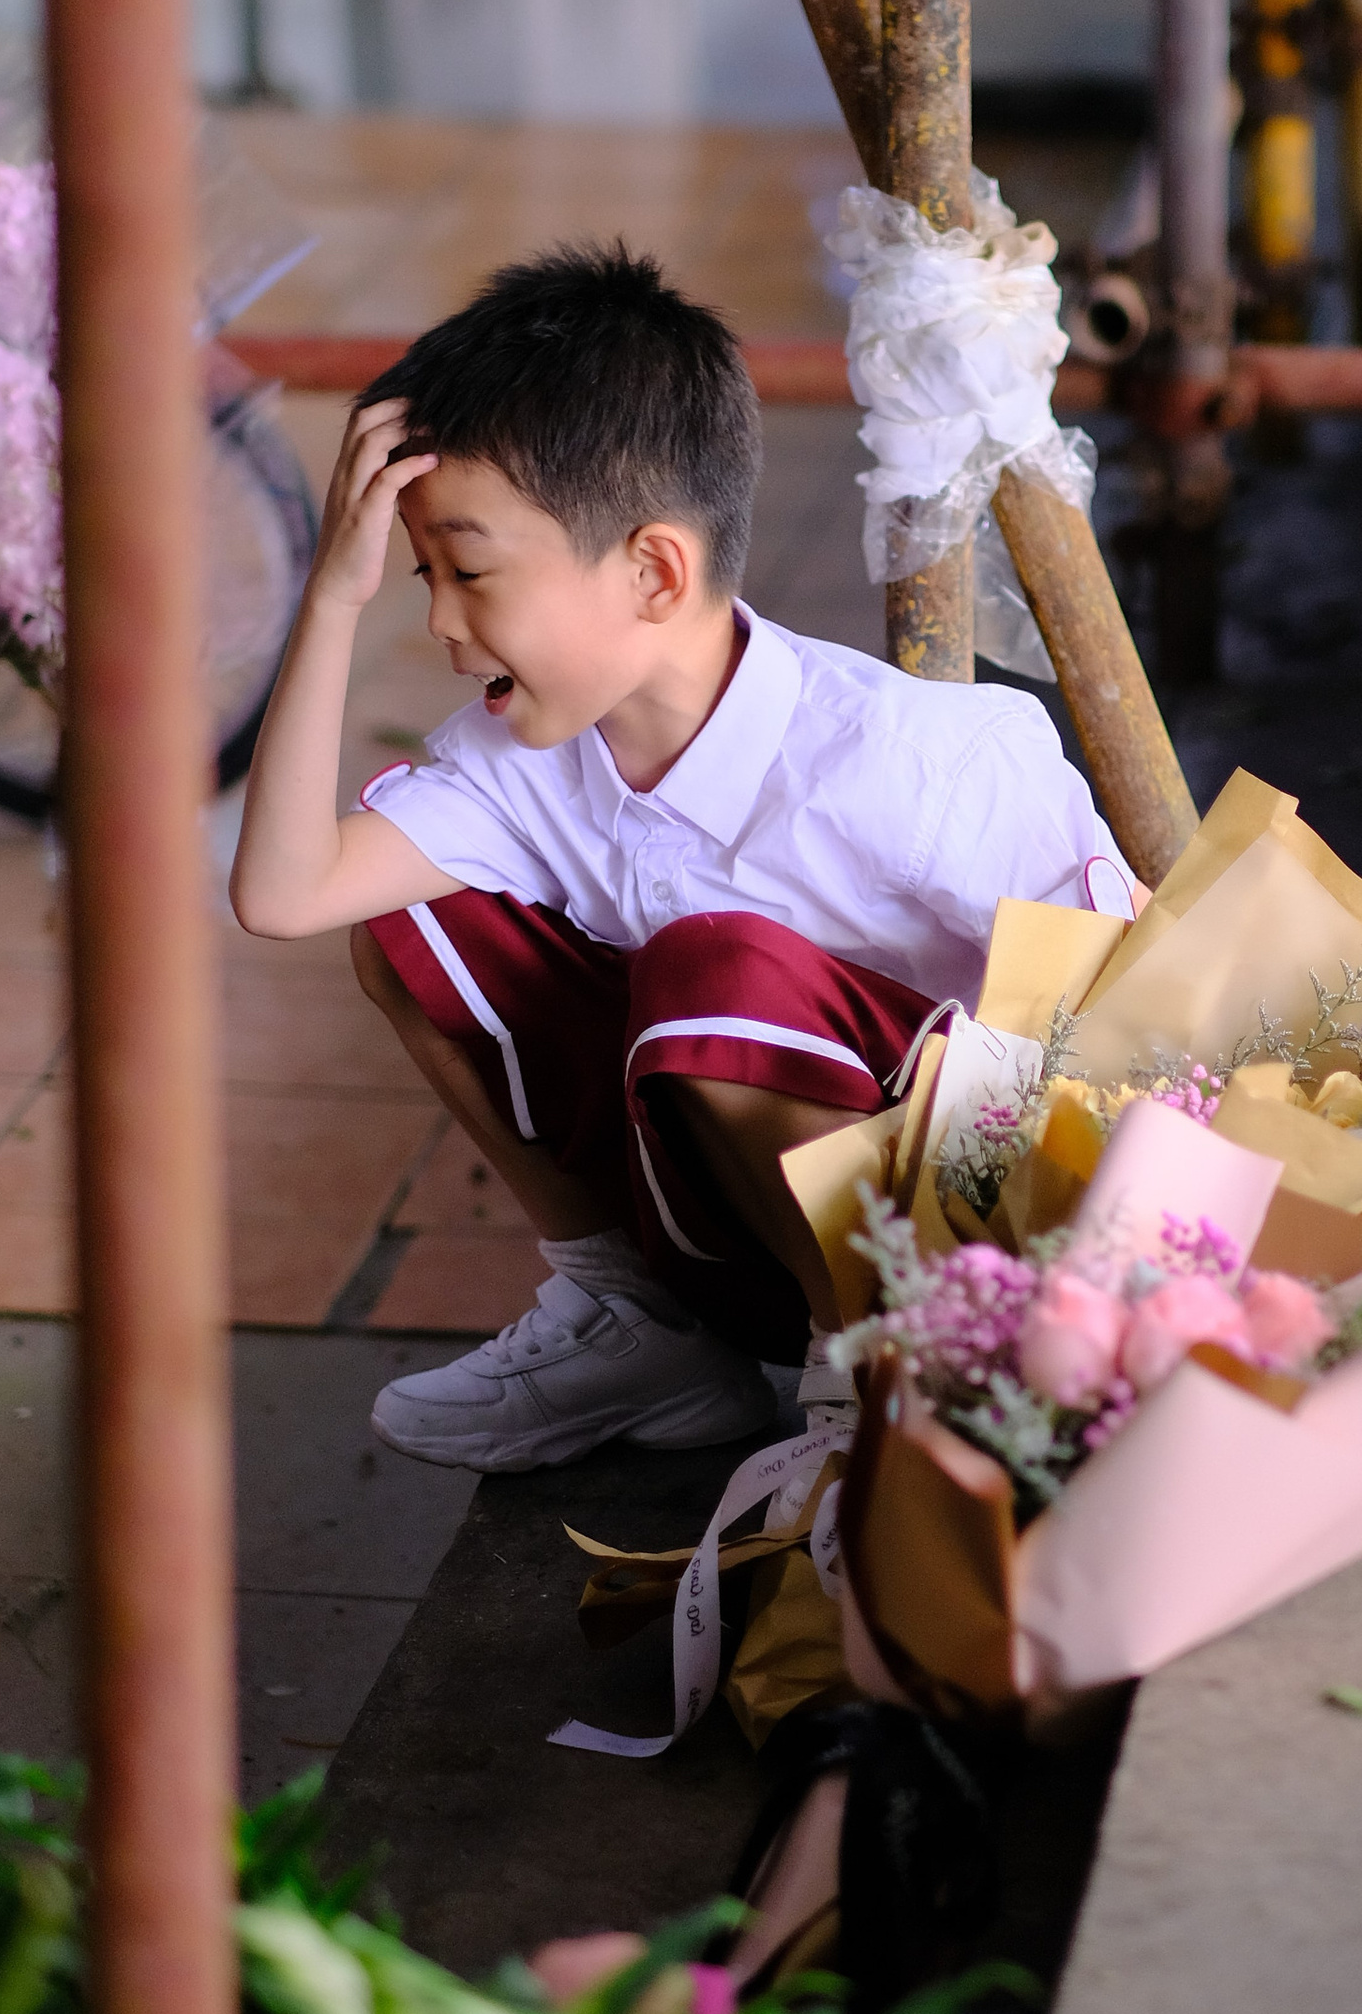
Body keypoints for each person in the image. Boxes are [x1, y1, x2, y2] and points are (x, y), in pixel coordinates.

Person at [231, 245, 1132, 1470]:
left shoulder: (919, 765)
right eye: (420, 575)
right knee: (410, 919)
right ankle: (640, 1329)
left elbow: (1121, 1032)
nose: (438, 621)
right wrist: (330, 598)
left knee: (714, 976)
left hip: (949, 1248)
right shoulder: (522, 763)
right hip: (719, 1233)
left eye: (471, 573)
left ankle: (863, 1386)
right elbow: (283, 892)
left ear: (655, 571)